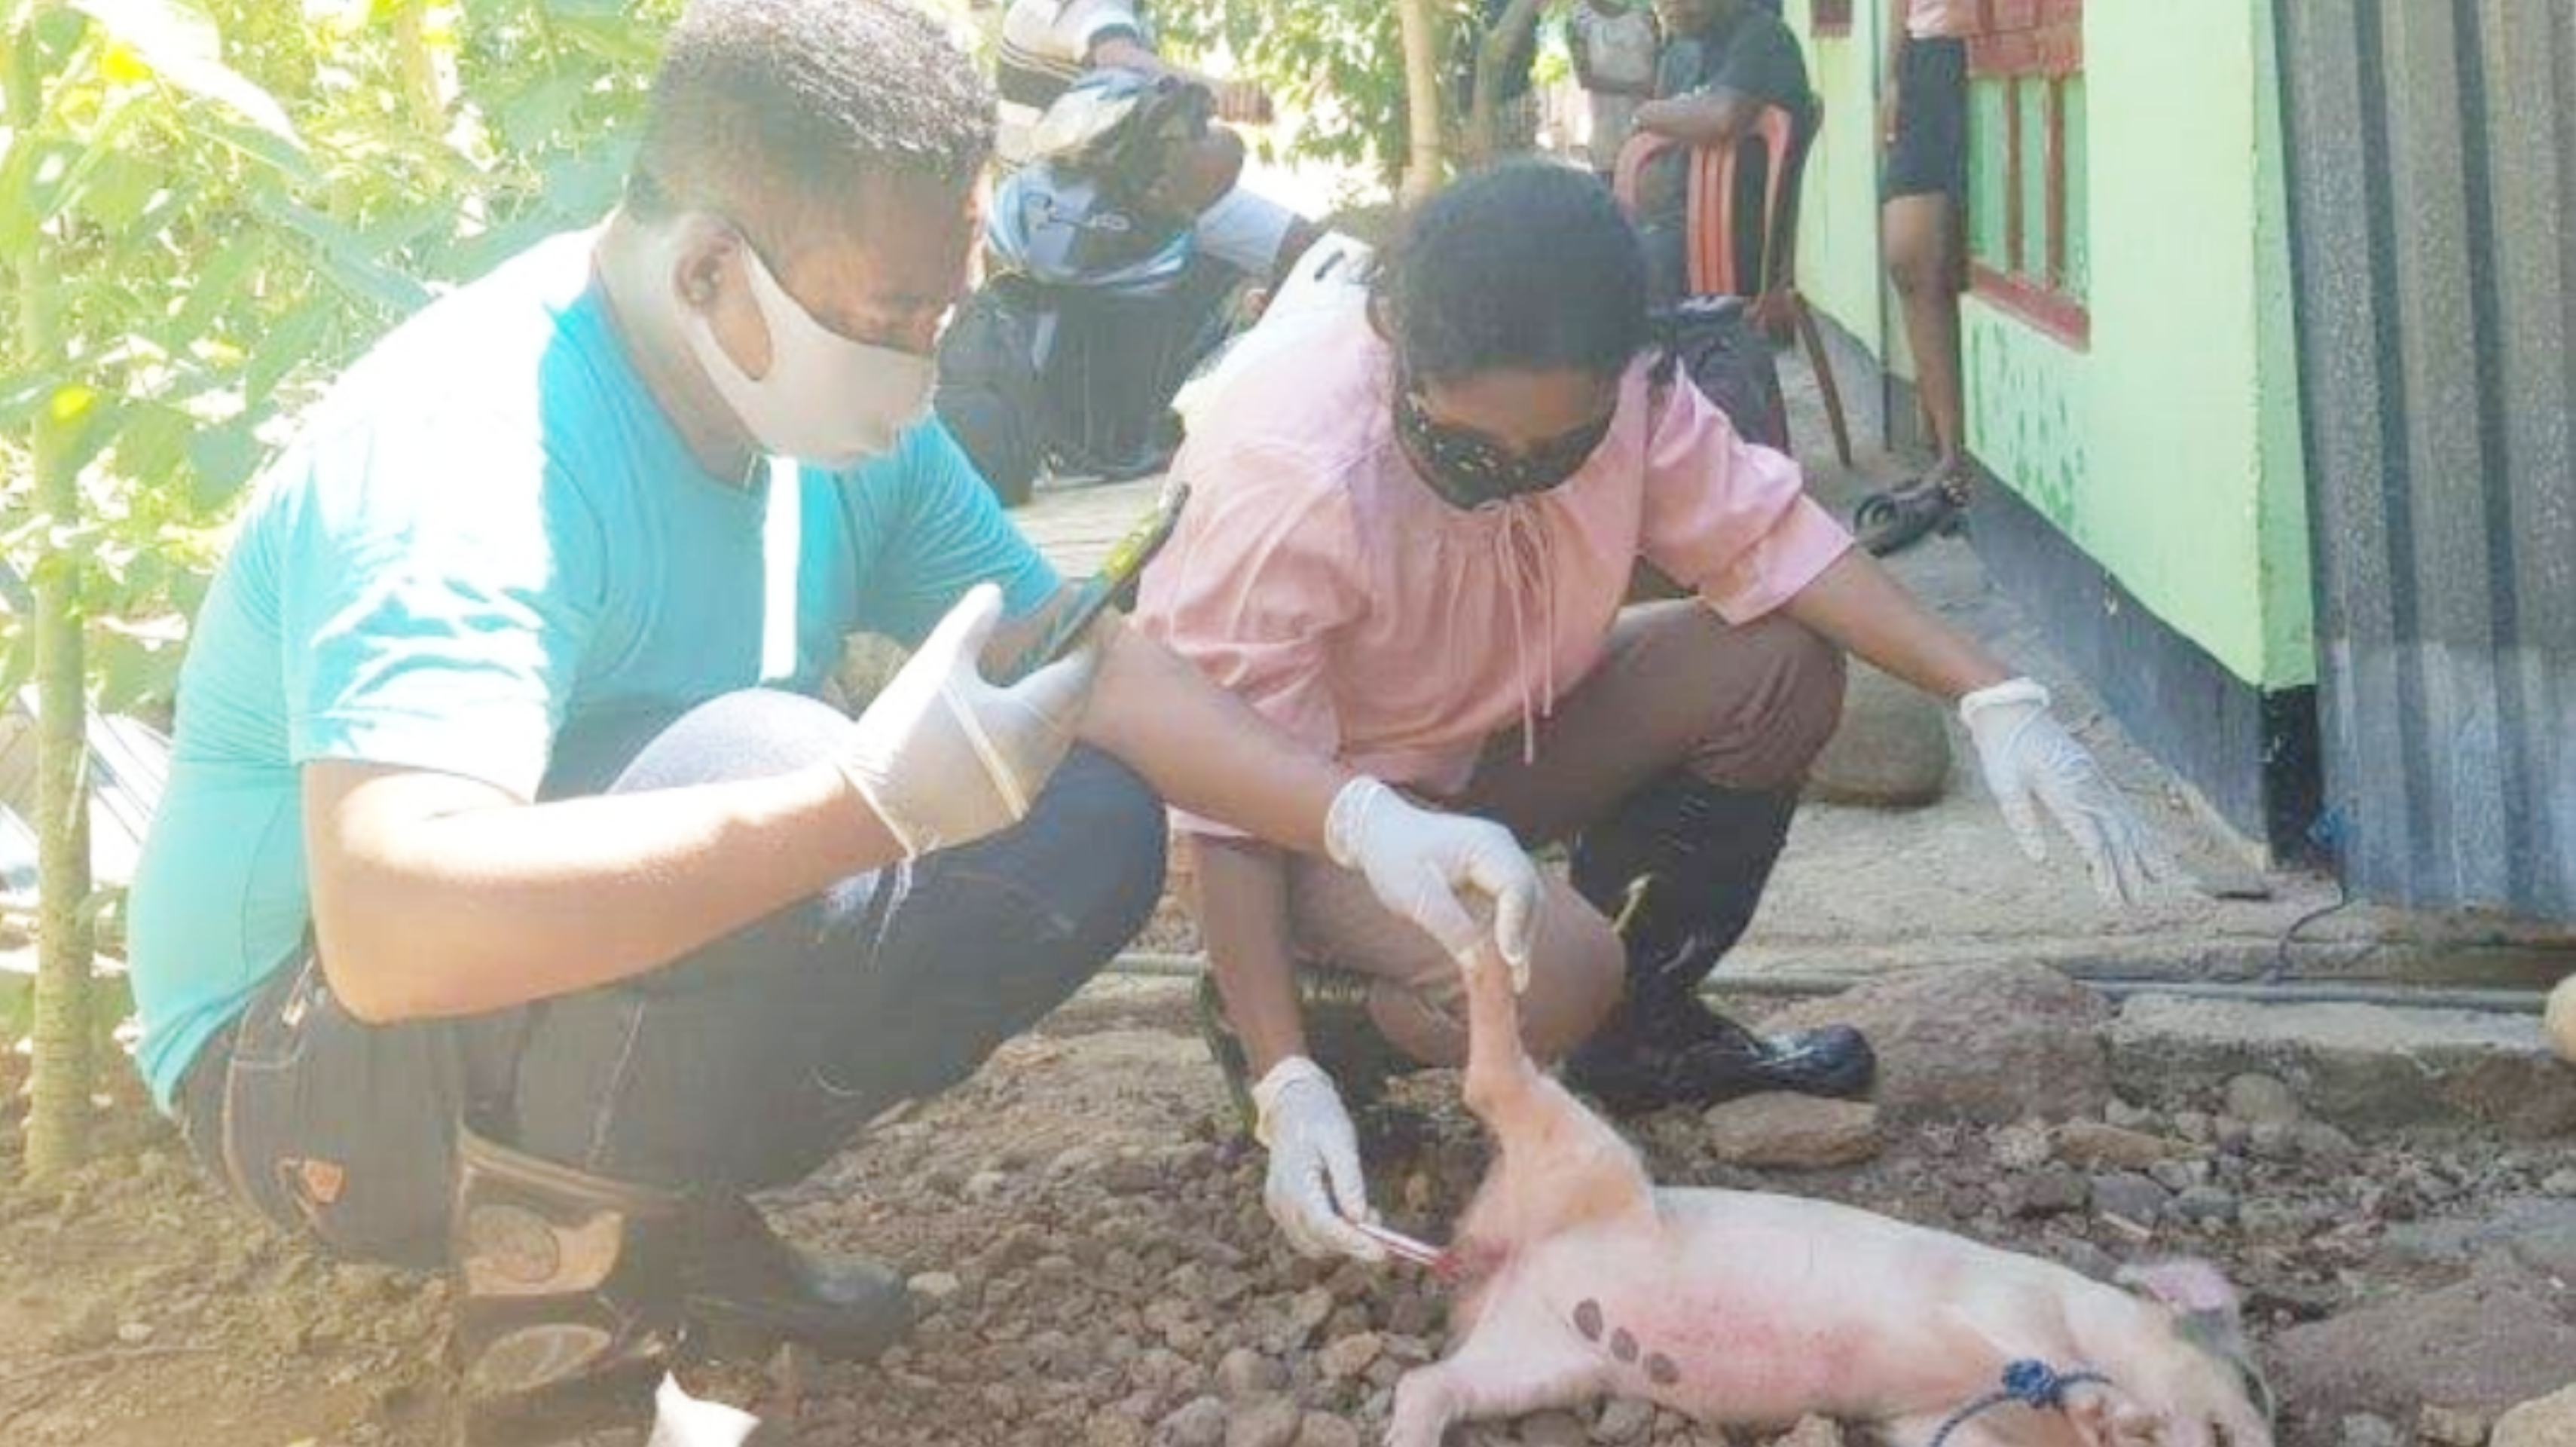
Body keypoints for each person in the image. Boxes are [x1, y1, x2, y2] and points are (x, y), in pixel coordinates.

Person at [124, 2, 1542, 1433]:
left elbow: (1085, 661)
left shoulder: (836, 427)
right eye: (887, 317)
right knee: (768, 765)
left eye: (944, 313)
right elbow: (389, 933)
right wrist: (851, 811)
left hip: (514, 981)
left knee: (1086, 816)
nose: (922, 360)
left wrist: (1362, 822)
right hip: (300, 1070)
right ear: (709, 269)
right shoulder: (471, 452)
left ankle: (665, 1204)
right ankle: (562, 1375)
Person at [1136, 164, 2163, 1182]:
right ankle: (1304, 1023)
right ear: (1400, 347)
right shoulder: (1291, 470)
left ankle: (1643, 1033)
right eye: (1475, 450)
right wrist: (1281, 1077)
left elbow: (1768, 537)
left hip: (1475, 746)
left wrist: (1989, 694)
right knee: (1558, 978)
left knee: (1775, 663)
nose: (1518, 472)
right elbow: (1224, 802)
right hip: (1307, 817)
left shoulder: (1628, 386)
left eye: (1558, 449)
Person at [1863, 0, 1981, 554]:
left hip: (1997, 39)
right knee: (1910, 257)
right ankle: (1948, 454)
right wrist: (1893, 75)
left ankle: (1955, 461)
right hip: (1929, 54)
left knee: (1958, 258)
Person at [1630, 0, 1814, 303]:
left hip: (1736, 244)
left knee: (1608, 276)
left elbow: (1723, 117)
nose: (1671, 8)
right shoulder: (1680, 50)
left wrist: (1643, 113)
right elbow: (1652, 159)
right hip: (1678, 230)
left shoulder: (1762, 36)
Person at [1569, 0, 1661, 175]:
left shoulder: (1644, 12)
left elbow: (1661, 60)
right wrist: (1638, 88)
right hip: (1607, 131)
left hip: (1649, 126)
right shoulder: (1580, 20)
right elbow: (1585, 79)